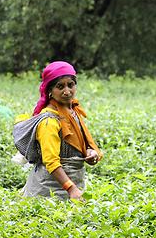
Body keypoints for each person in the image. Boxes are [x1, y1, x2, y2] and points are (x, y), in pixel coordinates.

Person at [12, 61, 102, 201]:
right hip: (48, 191)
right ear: (50, 91)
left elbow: (81, 143)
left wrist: (91, 152)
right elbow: (51, 161)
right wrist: (71, 189)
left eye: (70, 85)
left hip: (75, 184)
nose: (67, 91)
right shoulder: (49, 121)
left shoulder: (73, 111)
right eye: (60, 87)